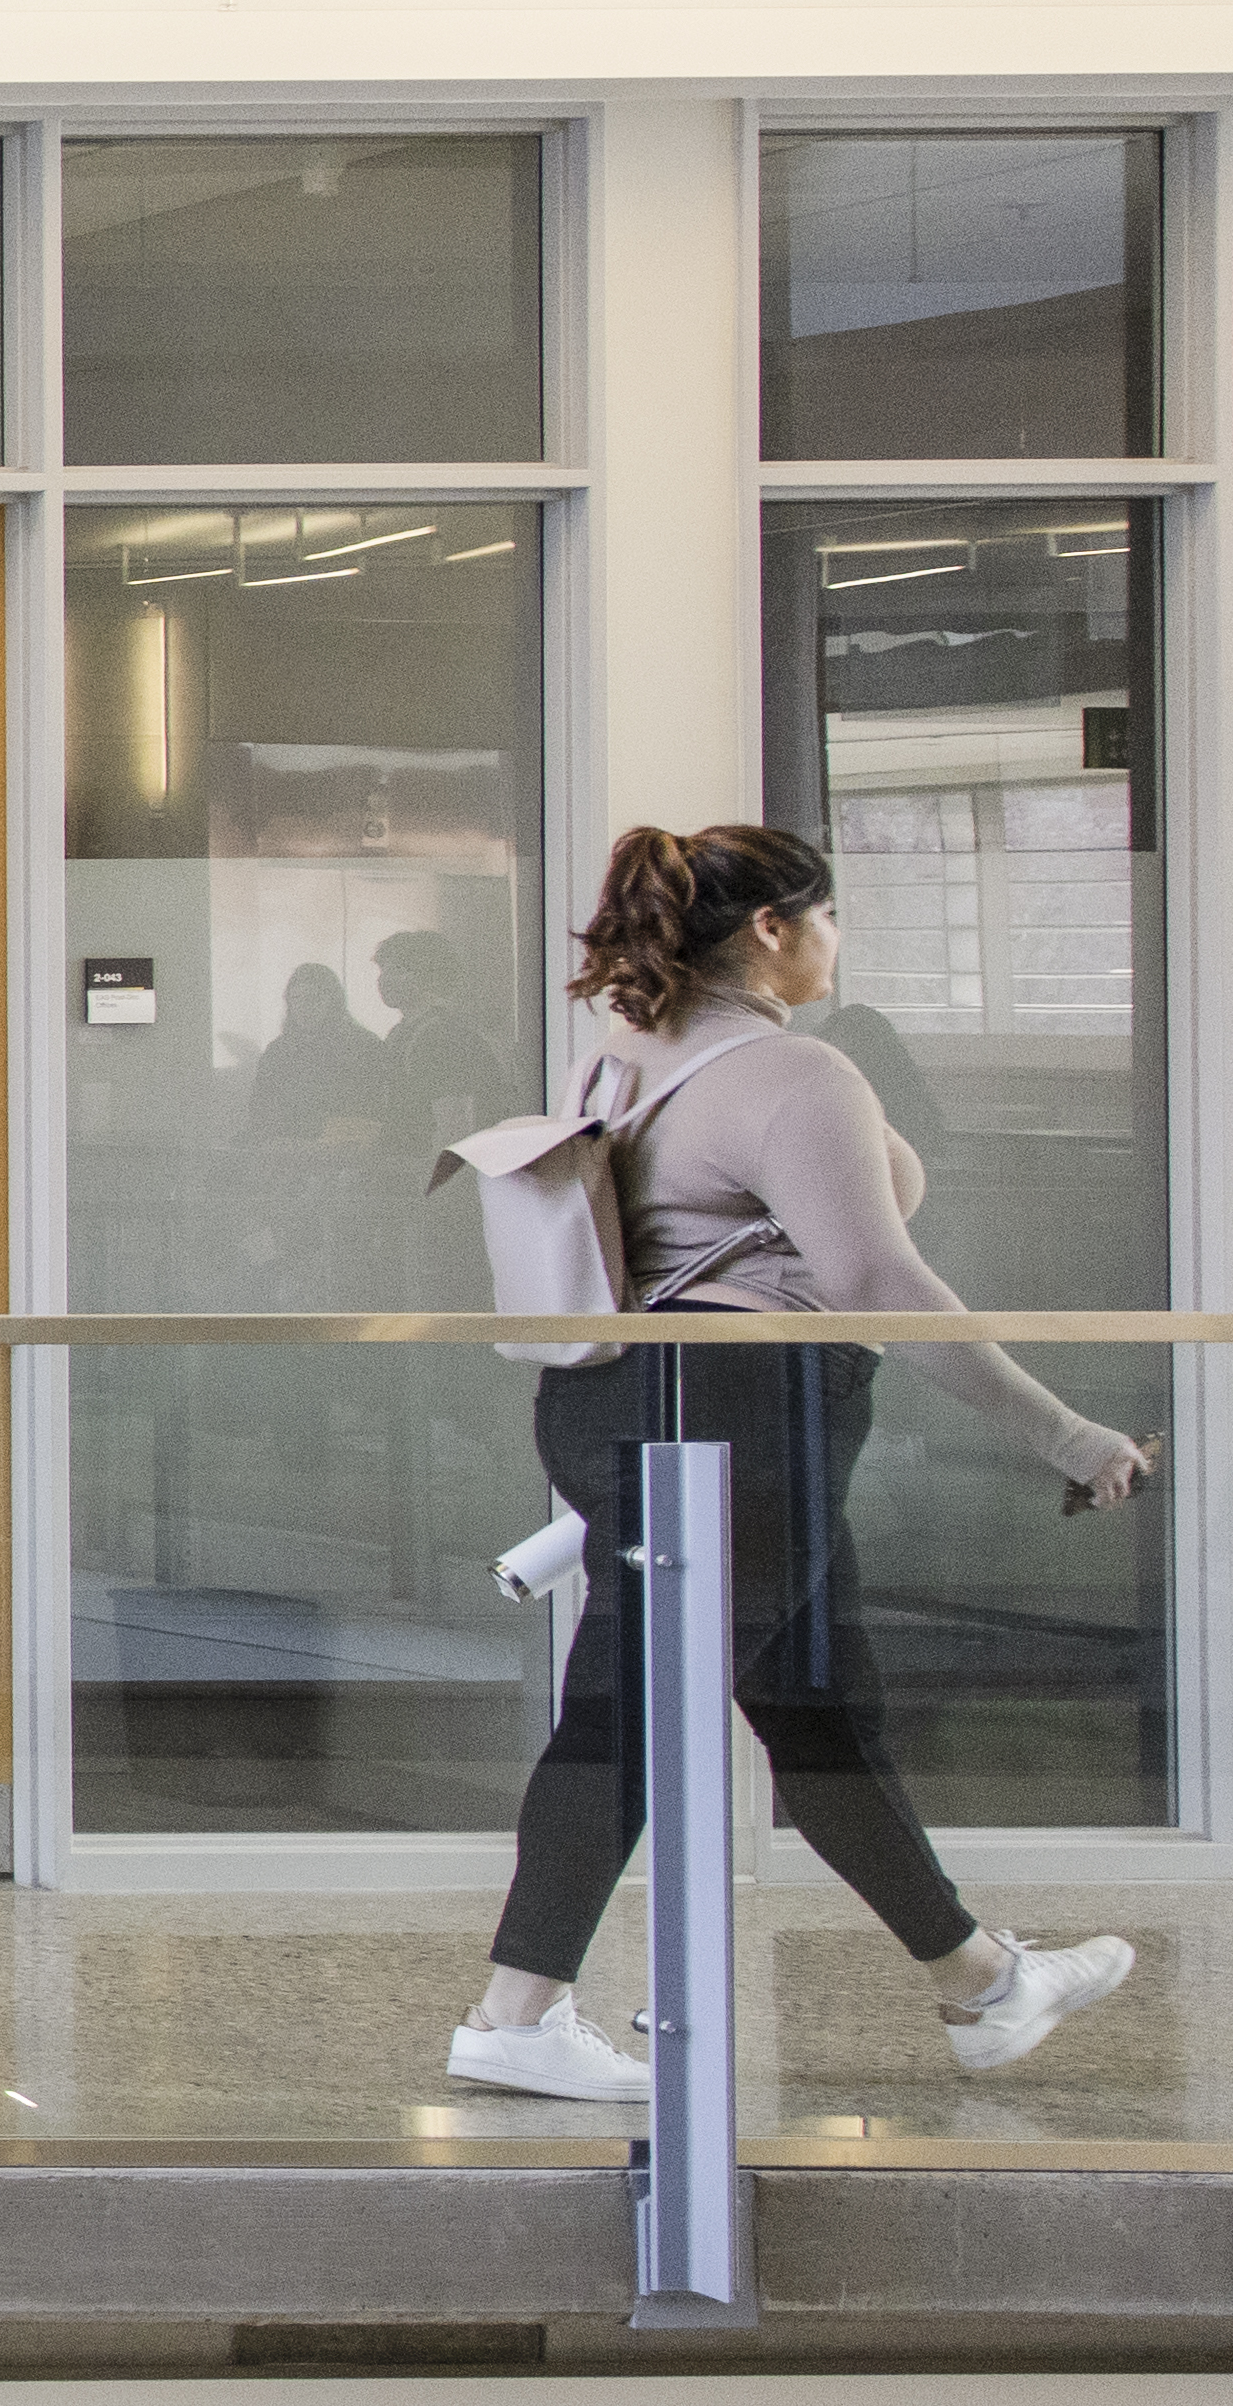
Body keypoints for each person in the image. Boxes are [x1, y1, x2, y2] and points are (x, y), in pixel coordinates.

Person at [454, 820, 1154, 2103]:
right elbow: (878, 1281)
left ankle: (980, 1983)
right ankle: (513, 2013)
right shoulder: (796, 1076)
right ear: (770, 928)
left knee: (817, 1708)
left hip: (608, 1397)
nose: (837, 938)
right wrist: (1065, 1432)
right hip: (742, 1415)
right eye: (825, 913)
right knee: (628, 1708)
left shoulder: (615, 1055)